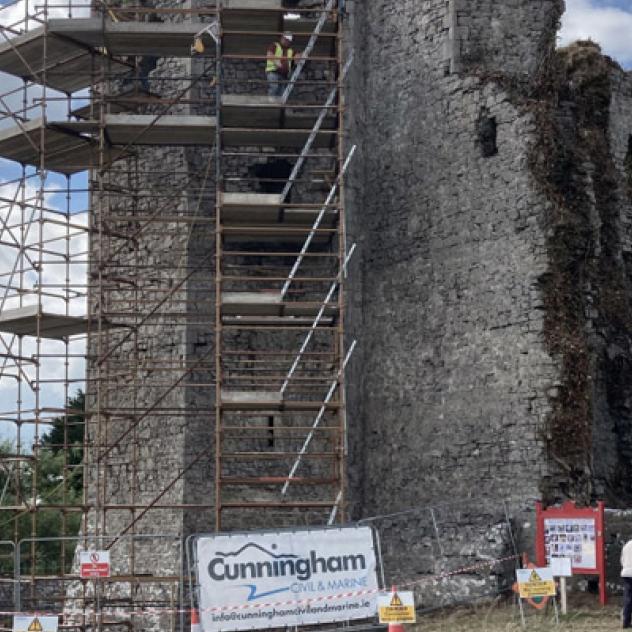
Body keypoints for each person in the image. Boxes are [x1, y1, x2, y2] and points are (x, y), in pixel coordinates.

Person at [266, 32, 296, 97]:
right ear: (282, 38)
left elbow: (295, 59)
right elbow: (269, 55)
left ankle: (279, 106)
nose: (287, 41)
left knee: (282, 92)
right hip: (273, 72)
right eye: (285, 39)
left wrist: (301, 56)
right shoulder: (275, 45)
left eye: (288, 40)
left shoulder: (291, 50)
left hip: (283, 75)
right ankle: (270, 104)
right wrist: (277, 62)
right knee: (274, 87)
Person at [622, 539, 632, 628]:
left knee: (628, 598)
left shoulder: (626, 545)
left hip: (626, 573)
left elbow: (622, 560)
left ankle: (626, 622)